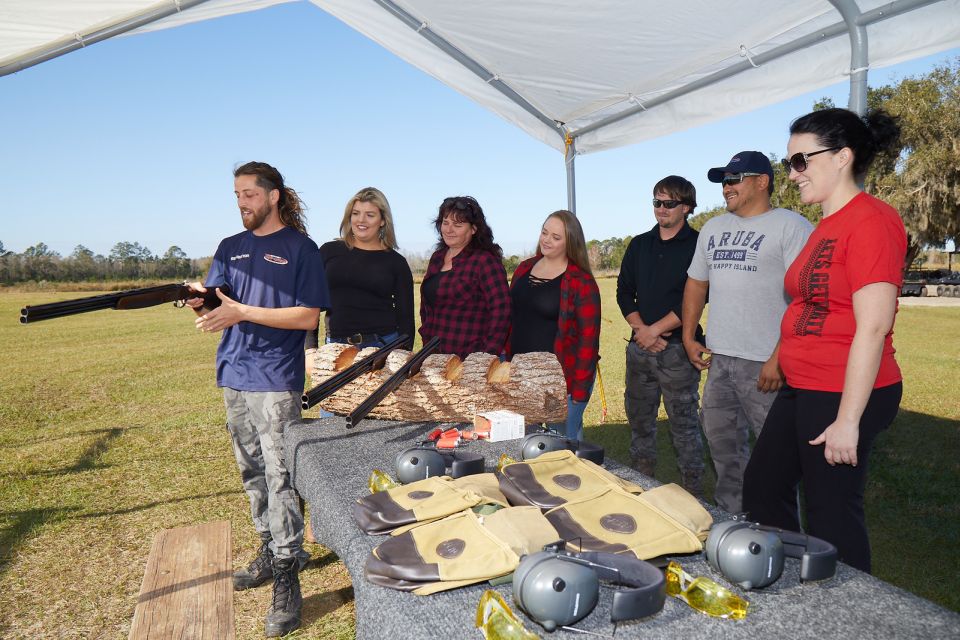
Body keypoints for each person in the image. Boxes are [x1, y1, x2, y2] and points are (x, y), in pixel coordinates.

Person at [743, 108, 904, 573]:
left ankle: (851, 611)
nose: (791, 174)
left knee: (832, 514)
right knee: (763, 488)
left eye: (801, 161)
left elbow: (873, 327)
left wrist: (848, 420)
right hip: (805, 384)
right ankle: (794, 577)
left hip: (843, 390)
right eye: (788, 162)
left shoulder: (872, 221)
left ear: (842, 157)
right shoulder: (823, 227)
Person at [188, 162, 330, 638]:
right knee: (251, 471)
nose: (242, 202)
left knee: (281, 474)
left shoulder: (300, 249)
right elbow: (219, 301)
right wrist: (201, 300)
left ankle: (288, 575)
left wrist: (242, 310)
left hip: (275, 378)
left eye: (249, 194)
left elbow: (308, 316)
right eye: (237, 195)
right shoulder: (230, 247)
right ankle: (270, 550)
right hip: (233, 373)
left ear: (274, 196)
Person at [682, 151, 813, 514]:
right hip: (720, 360)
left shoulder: (791, 226)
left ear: (762, 181)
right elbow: (696, 283)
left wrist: (780, 357)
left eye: (734, 179)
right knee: (724, 453)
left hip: (767, 364)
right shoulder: (712, 228)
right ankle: (734, 524)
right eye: (723, 181)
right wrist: (689, 336)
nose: (726, 187)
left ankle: (783, 538)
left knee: (778, 461)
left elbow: (809, 298)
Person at [617, 176, 706, 497]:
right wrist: (642, 330)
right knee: (639, 421)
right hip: (639, 349)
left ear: (686, 207)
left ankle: (694, 494)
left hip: (679, 352)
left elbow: (694, 297)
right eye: (656, 202)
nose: (661, 209)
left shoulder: (698, 245)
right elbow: (624, 291)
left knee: (684, 426)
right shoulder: (640, 244)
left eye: (668, 203)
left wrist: (656, 330)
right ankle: (643, 486)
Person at [507, 210, 600, 442]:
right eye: (544, 232)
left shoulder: (581, 282)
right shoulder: (523, 268)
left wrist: (578, 391)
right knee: (527, 446)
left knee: (564, 450)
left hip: (562, 381)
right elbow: (512, 320)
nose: (547, 240)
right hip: (522, 378)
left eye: (556, 237)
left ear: (571, 243)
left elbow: (588, 340)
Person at [305, 187, 414, 356]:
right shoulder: (328, 251)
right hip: (336, 347)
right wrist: (310, 349)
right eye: (356, 213)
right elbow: (310, 301)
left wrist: (405, 354)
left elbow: (406, 317)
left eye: (370, 215)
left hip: (383, 346)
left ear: (383, 220)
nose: (361, 220)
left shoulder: (396, 262)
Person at [419, 196, 510, 359]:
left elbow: (502, 311)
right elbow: (427, 307)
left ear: (474, 229)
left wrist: (486, 357)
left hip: (470, 359)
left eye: (457, 225)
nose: (448, 229)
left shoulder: (485, 261)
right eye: (445, 223)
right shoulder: (437, 258)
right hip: (435, 357)